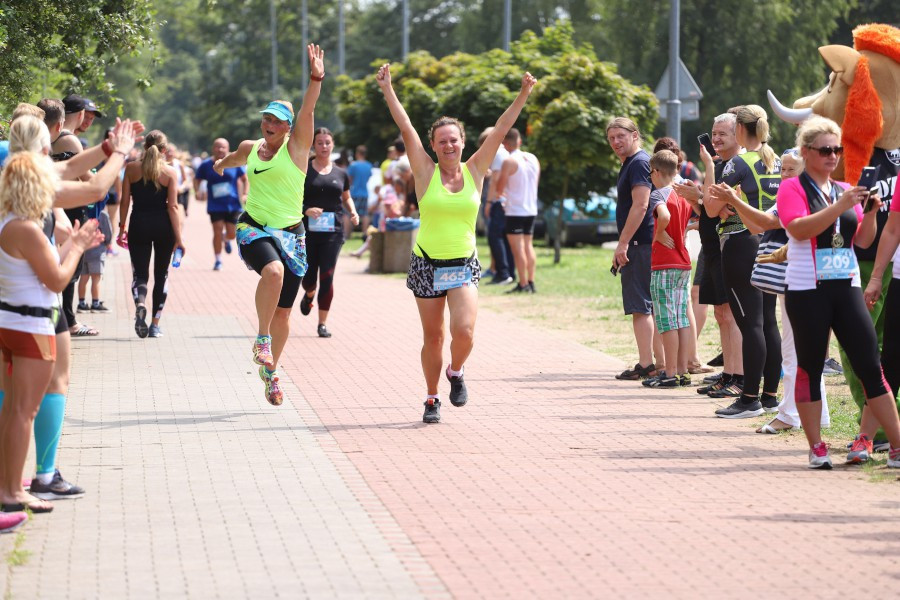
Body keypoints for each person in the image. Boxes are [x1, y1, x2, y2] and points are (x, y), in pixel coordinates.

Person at [376, 62, 536, 423]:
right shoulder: (424, 171)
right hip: (426, 264)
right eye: (441, 141)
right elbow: (406, 126)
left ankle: (457, 371)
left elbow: (503, 128)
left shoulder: (476, 169)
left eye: (454, 140)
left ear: (463, 143)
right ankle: (432, 398)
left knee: (463, 331)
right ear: (432, 146)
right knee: (433, 338)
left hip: (463, 265)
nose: (448, 145)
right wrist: (388, 89)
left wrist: (523, 94)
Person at [777, 115, 900, 469]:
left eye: (837, 150)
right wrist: (842, 206)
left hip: (845, 286)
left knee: (870, 365)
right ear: (806, 152)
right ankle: (816, 446)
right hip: (807, 288)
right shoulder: (793, 188)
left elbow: (861, 240)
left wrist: (872, 212)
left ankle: (894, 446)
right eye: (825, 150)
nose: (833, 156)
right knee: (810, 367)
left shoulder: (843, 188)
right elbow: (799, 229)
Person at [212, 44, 324, 406]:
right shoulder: (252, 146)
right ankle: (261, 338)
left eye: (276, 121)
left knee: (285, 312)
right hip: (253, 226)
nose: (269, 125)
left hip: (292, 234)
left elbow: (308, 109)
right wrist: (219, 166)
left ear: (289, 128)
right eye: (266, 119)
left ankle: (271, 372)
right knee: (273, 273)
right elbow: (233, 157)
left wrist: (315, 78)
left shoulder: (297, 148)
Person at [0, 151, 103, 513]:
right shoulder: (24, 227)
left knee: (14, 409)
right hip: (30, 324)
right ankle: (12, 492)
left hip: (12, 320)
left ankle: (10, 487)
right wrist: (76, 246)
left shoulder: (10, 221)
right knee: (23, 412)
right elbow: (57, 278)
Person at [722, 148, 831, 435]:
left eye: (790, 170)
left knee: (794, 352)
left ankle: (790, 414)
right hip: (806, 280)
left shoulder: (802, 195)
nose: (784, 175)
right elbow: (757, 224)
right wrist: (739, 204)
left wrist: (734, 200)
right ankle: (816, 415)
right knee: (804, 349)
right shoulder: (807, 192)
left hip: (804, 280)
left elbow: (768, 222)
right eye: (782, 170)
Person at [705, 105, 782, 418]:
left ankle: (749, 398)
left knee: (750, 324)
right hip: (772, 243)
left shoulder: (738, 161)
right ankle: (770, 395)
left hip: (741, 243)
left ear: (739, 131)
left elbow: (710, 209)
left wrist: (715, 193)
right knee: (768, 321)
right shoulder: (775, 159)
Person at [674, 114, 744, 394]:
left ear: (738, 135)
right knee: (721, 314)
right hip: (713, 246)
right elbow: (711, 211)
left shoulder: (738, 165)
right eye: (713, 133)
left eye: (722, 134)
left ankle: (739, 377)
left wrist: (699, 198)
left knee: (732, 314)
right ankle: (728, 373)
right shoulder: (720, 164)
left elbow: (716, 209)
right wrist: (697, 200)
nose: (715, 139)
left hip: (731, 245)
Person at [607, 117, 660, 380]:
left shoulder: (638, 163)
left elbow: (641, 205)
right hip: (642, 243)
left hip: (640, 244)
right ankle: (656, 363)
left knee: (641, 307)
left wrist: (623, 243)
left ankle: (647, 364)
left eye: (620, 136)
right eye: (611, 138)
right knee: (648, 305)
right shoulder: (633, 163)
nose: (616, 142)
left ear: (634, 135)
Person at [119, 130, 185, 339]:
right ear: (164, 150)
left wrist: (122, 227)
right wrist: (180, 239)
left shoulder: (131, 169)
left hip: (138, 223)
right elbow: (173, 207)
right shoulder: (170, 172)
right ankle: (155, 324)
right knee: (161, 275)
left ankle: (140, 303)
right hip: (163, 226)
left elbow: (124, 201)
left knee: (140, 274)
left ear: (145, 147)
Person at [298, 127, 359, 338]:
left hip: (333, 232)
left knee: (327, 276)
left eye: (327, 143)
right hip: (307, 232)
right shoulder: (303, 170)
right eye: (320, 143)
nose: (324, 146)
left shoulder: (340, 172)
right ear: (314, 145)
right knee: (308, 276)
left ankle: (322, 323)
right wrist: (306, 209)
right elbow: (293, 198)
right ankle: (309, 294)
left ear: (332, 145)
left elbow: (346, 196)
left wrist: (353, 211)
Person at [642, 150, 694, 388]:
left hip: (664, 263)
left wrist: (660, 232)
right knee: (681, 317)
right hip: (683, 261)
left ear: (656, 171)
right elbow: (700, 216)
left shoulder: (658, 194)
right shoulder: (683, 194)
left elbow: (662, 214)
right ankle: (683, 371)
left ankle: (670, 373)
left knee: (666, 319)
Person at [495, 128, 540, 294]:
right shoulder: (533, 158)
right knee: (528, 246)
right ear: (519, 141)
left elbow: (499, 189)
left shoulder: (509, 161)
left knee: (518, 249)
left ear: (505, 144)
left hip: (515, 210)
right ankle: (531, 281)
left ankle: (522, 283)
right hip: (531, 209)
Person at [194, 138, 248, 270]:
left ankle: (226, 238)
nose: (220, 149)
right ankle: (218, 260)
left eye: (223, 147)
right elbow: (197, 179)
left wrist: (245, 194)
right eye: (218, 147)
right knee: (217, 231)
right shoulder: (206, 165)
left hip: (233, 204)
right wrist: (197, 191)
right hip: (215, 205)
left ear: (228, 148)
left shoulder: (235, 163)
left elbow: (245, 179)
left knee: (232, 234)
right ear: (213, 149)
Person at [76, 209, 112, 312]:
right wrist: (107, 243)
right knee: (96, 279)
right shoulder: (102, 213)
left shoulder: (82, 210)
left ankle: (81, 303)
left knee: (83, 278)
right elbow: (108, 232)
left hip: (83, 251)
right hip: (97, 252)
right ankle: (95, 303)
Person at [346, 145, 373, 238]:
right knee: (365, 214)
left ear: (357, 153)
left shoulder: (353, 165)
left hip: (354, 193)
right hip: (364, 193)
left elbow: (349, 179)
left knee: (349, 213)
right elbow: (368, 177)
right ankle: (364, 233)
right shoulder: (369, 165)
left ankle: (347, 234)